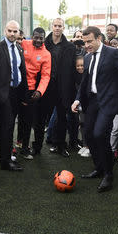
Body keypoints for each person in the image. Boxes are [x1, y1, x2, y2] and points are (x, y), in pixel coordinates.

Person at [71, 26, 118, 193]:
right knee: (89, 135)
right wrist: (77, 99)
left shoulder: (113, 53)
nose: (87, 45)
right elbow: (85, 82)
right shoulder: (88, 57)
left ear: (99, 38)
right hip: (92, 102)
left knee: (100, 134)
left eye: (90, 41)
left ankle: (108, 174)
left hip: (109, 102)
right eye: (84, 42)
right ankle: (99, 168)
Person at [0, 20, 27, 171]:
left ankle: (3, 156)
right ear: (5, 31)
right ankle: (6, 161)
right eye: (10, 31)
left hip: (16, 91)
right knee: (7, 125)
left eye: (15, 31)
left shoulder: (19, 48)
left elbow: (22, 71)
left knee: (5, 125)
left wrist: (24, 95)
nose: (12, 34)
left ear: (19, 32)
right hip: (1, 92)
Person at [44, 18, 77, 157]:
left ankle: (60, 145)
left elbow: (72, 69)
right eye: (55, 25)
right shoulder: (44, 44)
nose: (57, 28)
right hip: (46, 86)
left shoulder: (70, 47)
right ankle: (37, 146)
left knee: (62, 118)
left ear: (63, 28)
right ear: (52, 26)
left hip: (63, 88)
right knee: (42, 117)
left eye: (60, 26)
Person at [17, 27, 52, 158]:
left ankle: (25, 148)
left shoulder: (46, 54)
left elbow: (45, 75)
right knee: (14, 118)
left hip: (30, 90)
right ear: (32, 36)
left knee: (27, 120)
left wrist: (40, 91)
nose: (38, 40)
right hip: (16, 87)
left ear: (44, 38)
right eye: (36, 37)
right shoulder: (24, 43)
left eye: (41, 38)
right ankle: (15, 145)